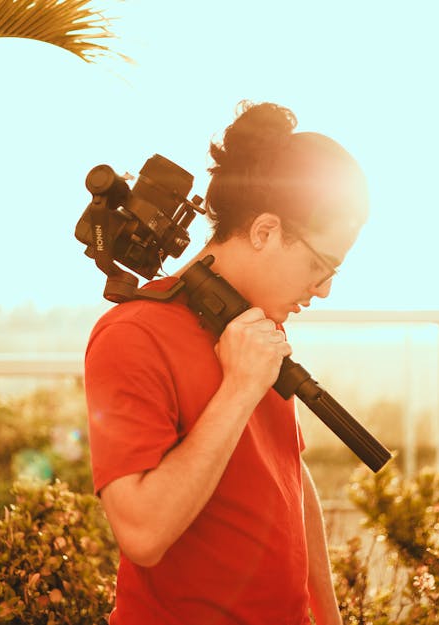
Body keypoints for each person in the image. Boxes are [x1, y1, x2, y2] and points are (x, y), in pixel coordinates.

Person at [84, 101, 369, 625]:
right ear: (264, 231)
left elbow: (288, 474)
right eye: (319, 264)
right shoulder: (131, 334)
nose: (324, 288)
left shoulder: (259, 324)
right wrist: (238, 388)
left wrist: (329, 619)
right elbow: (142, 533)